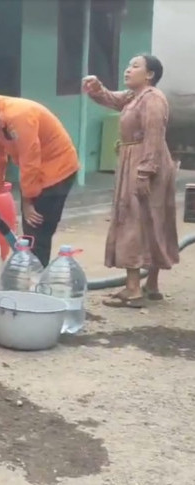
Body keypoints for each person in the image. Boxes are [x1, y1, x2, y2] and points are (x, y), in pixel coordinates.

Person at [83, 54, 179, 308]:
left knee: (135, 221)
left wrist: (145, 172)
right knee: (149, 219)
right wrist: (96, 89)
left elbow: (154, 136)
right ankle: (152, 285)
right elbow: (112, 99)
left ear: (149, 75)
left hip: (146, 162)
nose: (128, 70)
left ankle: (133, 289)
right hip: (135, 159)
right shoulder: (135, 96)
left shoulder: (153, 100)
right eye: (128, 65)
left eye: (135, 67)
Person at [0, 81, 80, 266]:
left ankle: (36, 278)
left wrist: (28, 200)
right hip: (35, 170)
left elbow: (30, 158)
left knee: (37, 229)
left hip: (57, 169)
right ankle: (31, 271)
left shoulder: (19, 115)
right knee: (30, 232)